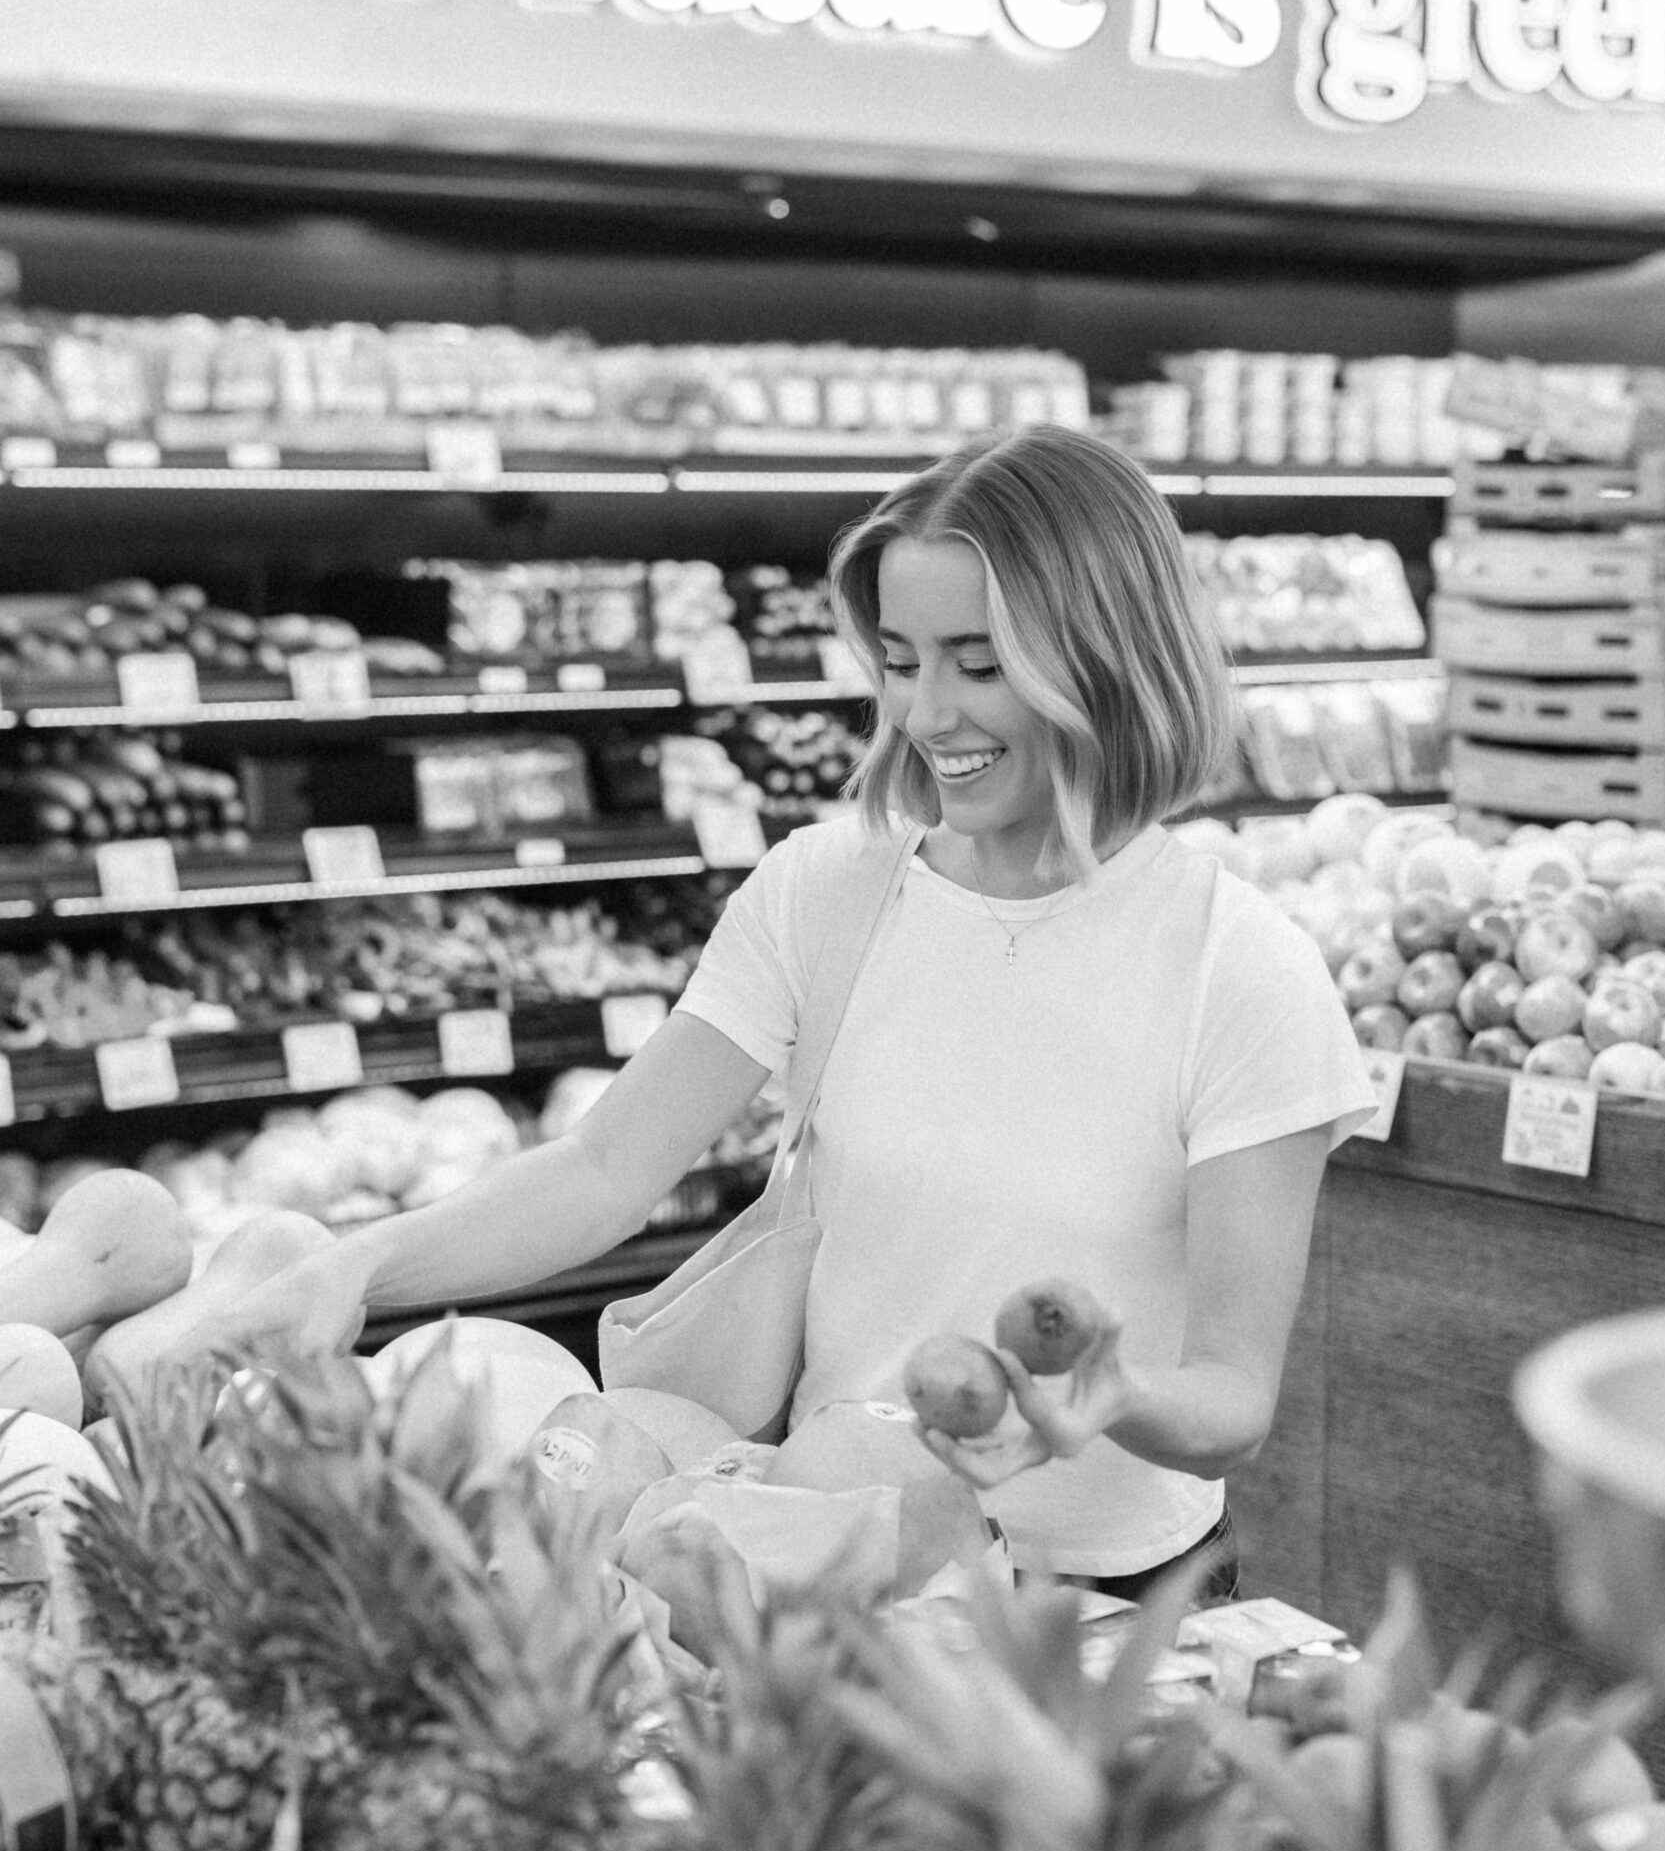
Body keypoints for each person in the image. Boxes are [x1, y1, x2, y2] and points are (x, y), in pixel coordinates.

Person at [301, 426, 1374, 1594]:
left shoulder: (1242, 970)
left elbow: (1233, 1398)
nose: (924, 713)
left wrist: (1114, 1393)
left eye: (979, 661)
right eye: (902, 659)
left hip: (1097, 1606)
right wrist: (358, 1267)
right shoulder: (829, 890)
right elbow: (607, 1165)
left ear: (1108, 656)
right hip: (830, 1562)